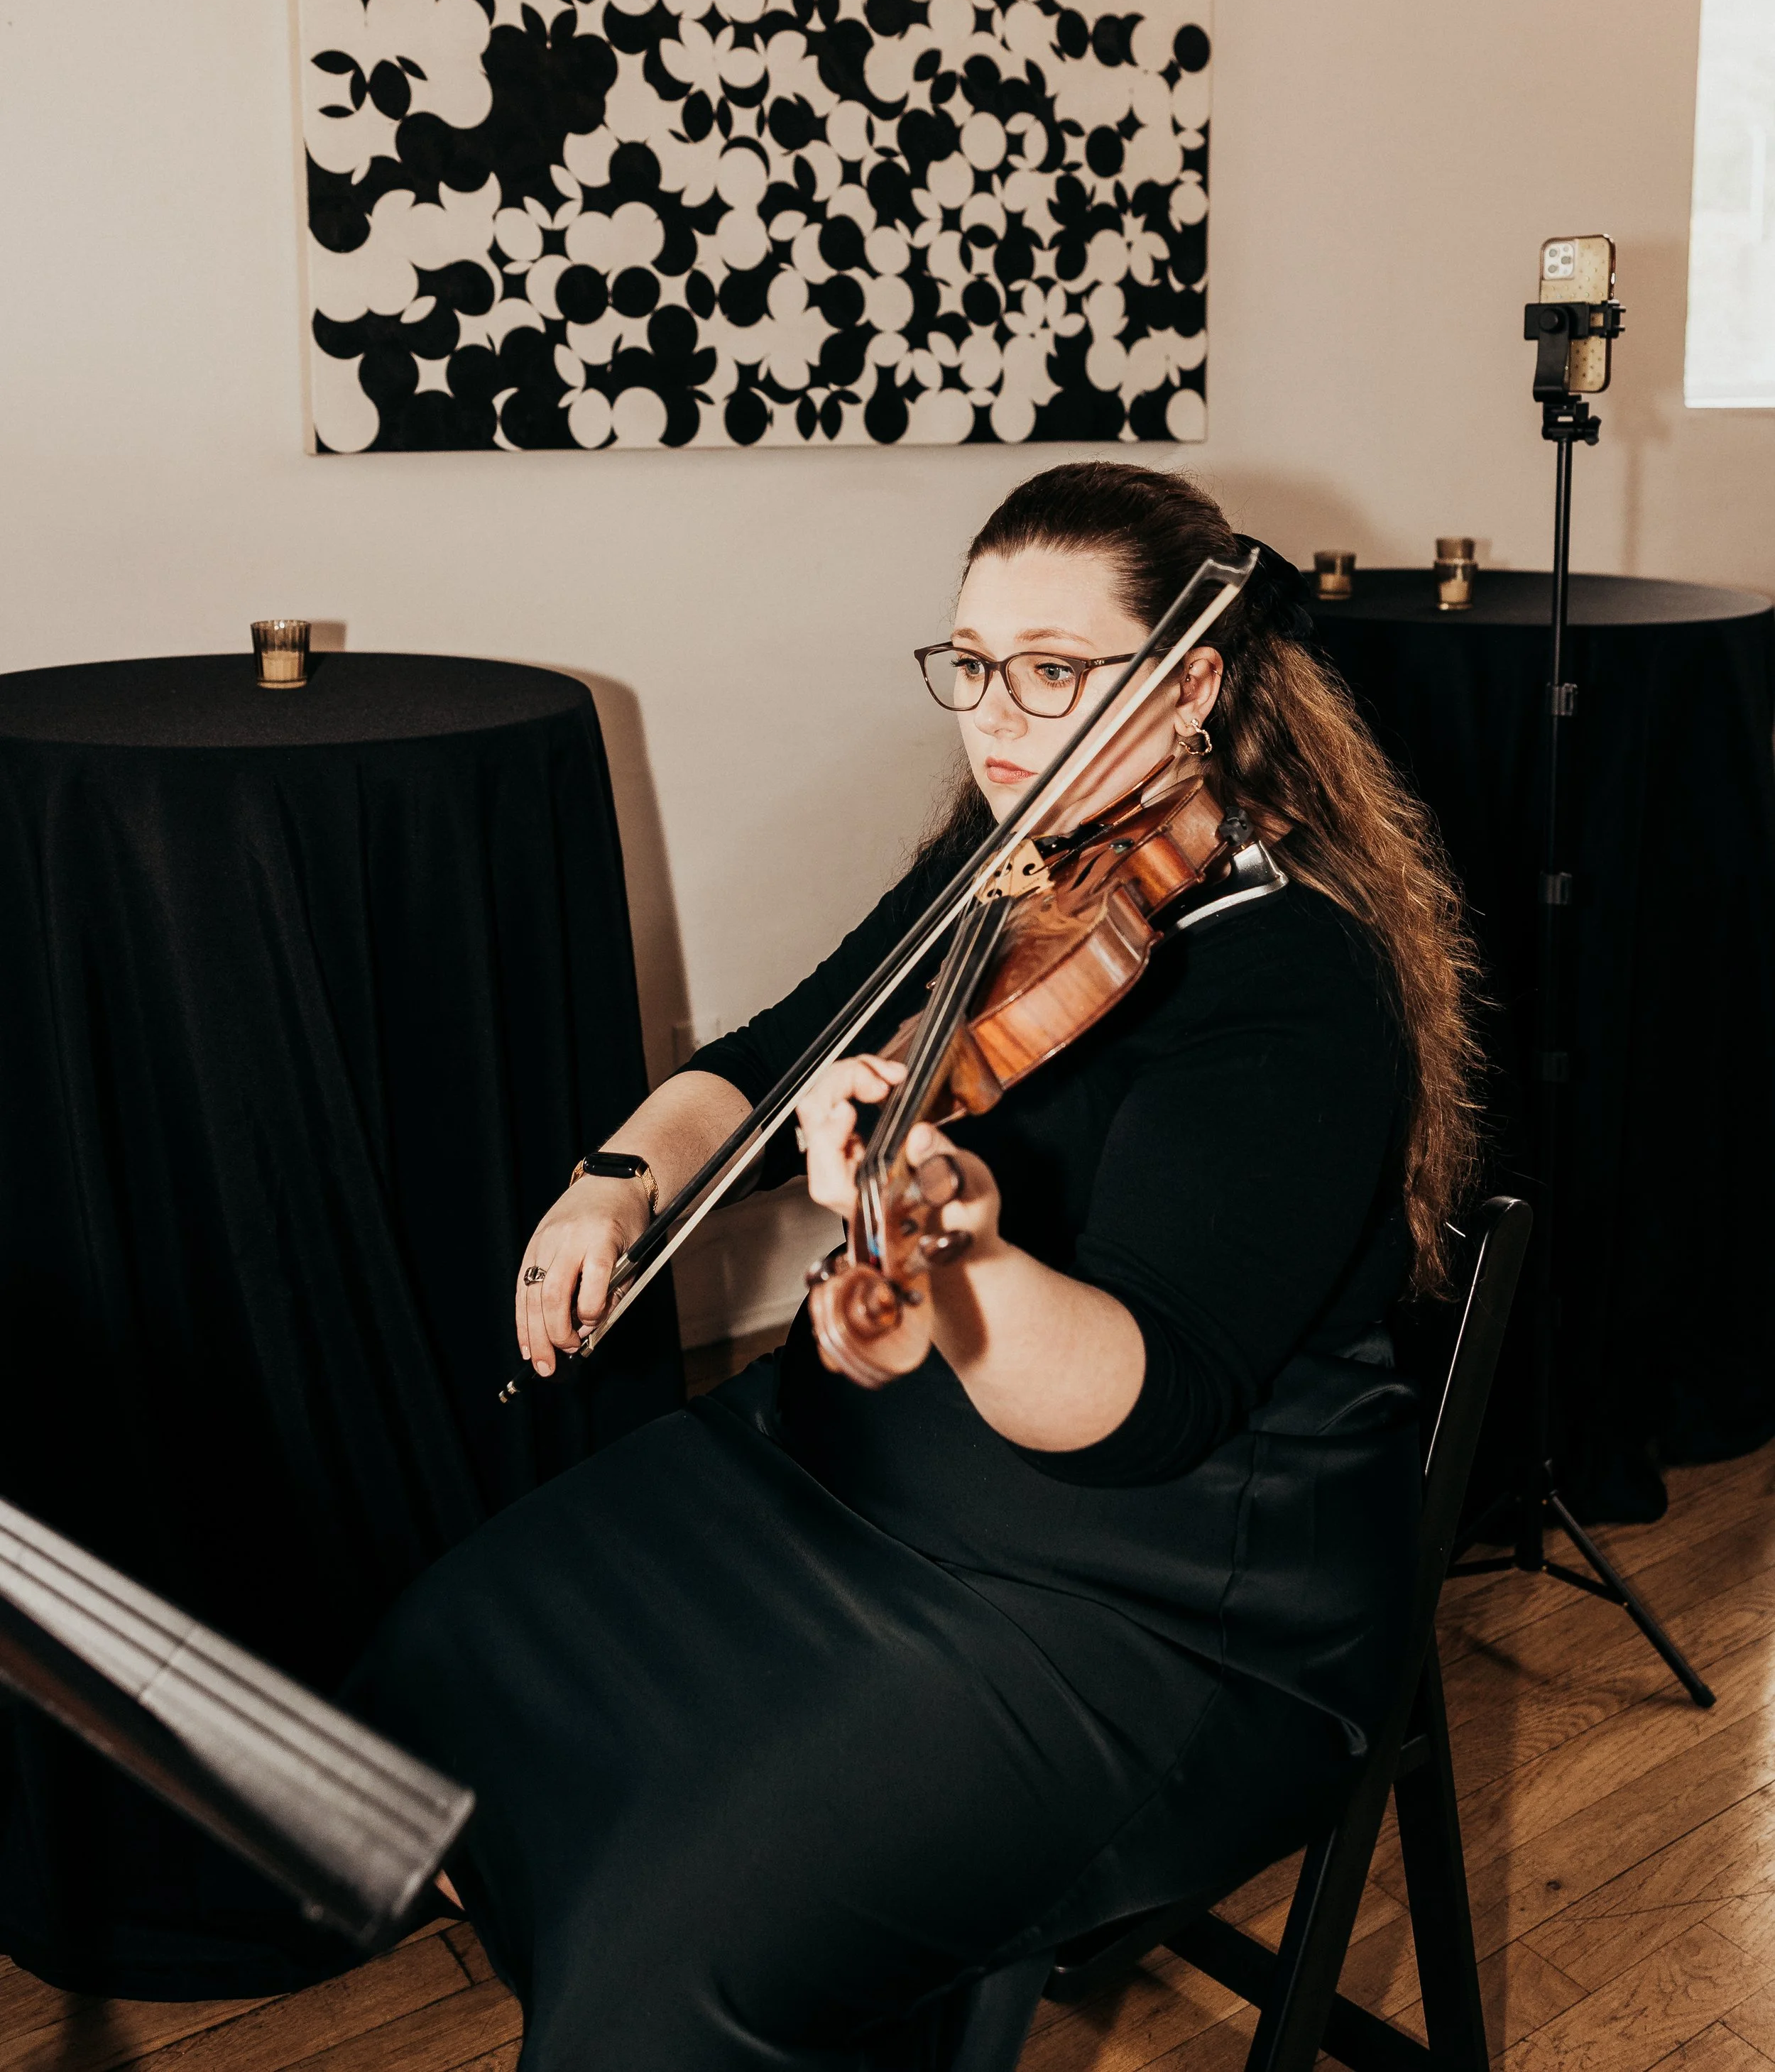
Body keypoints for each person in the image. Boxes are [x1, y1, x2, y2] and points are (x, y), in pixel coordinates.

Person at [346, 462, 1480, 2072]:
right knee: (446, 1665)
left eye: (1052, 670)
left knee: (671, 1959)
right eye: (970, 661)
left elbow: (1141, 1405)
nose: (997, 714)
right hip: (855, 1469)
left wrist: (960, 1254)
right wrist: (616, 1181)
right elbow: (770, 1045)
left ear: (1191, 686)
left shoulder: (1291, 985)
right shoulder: (1006, 864)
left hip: (1151, 1597)